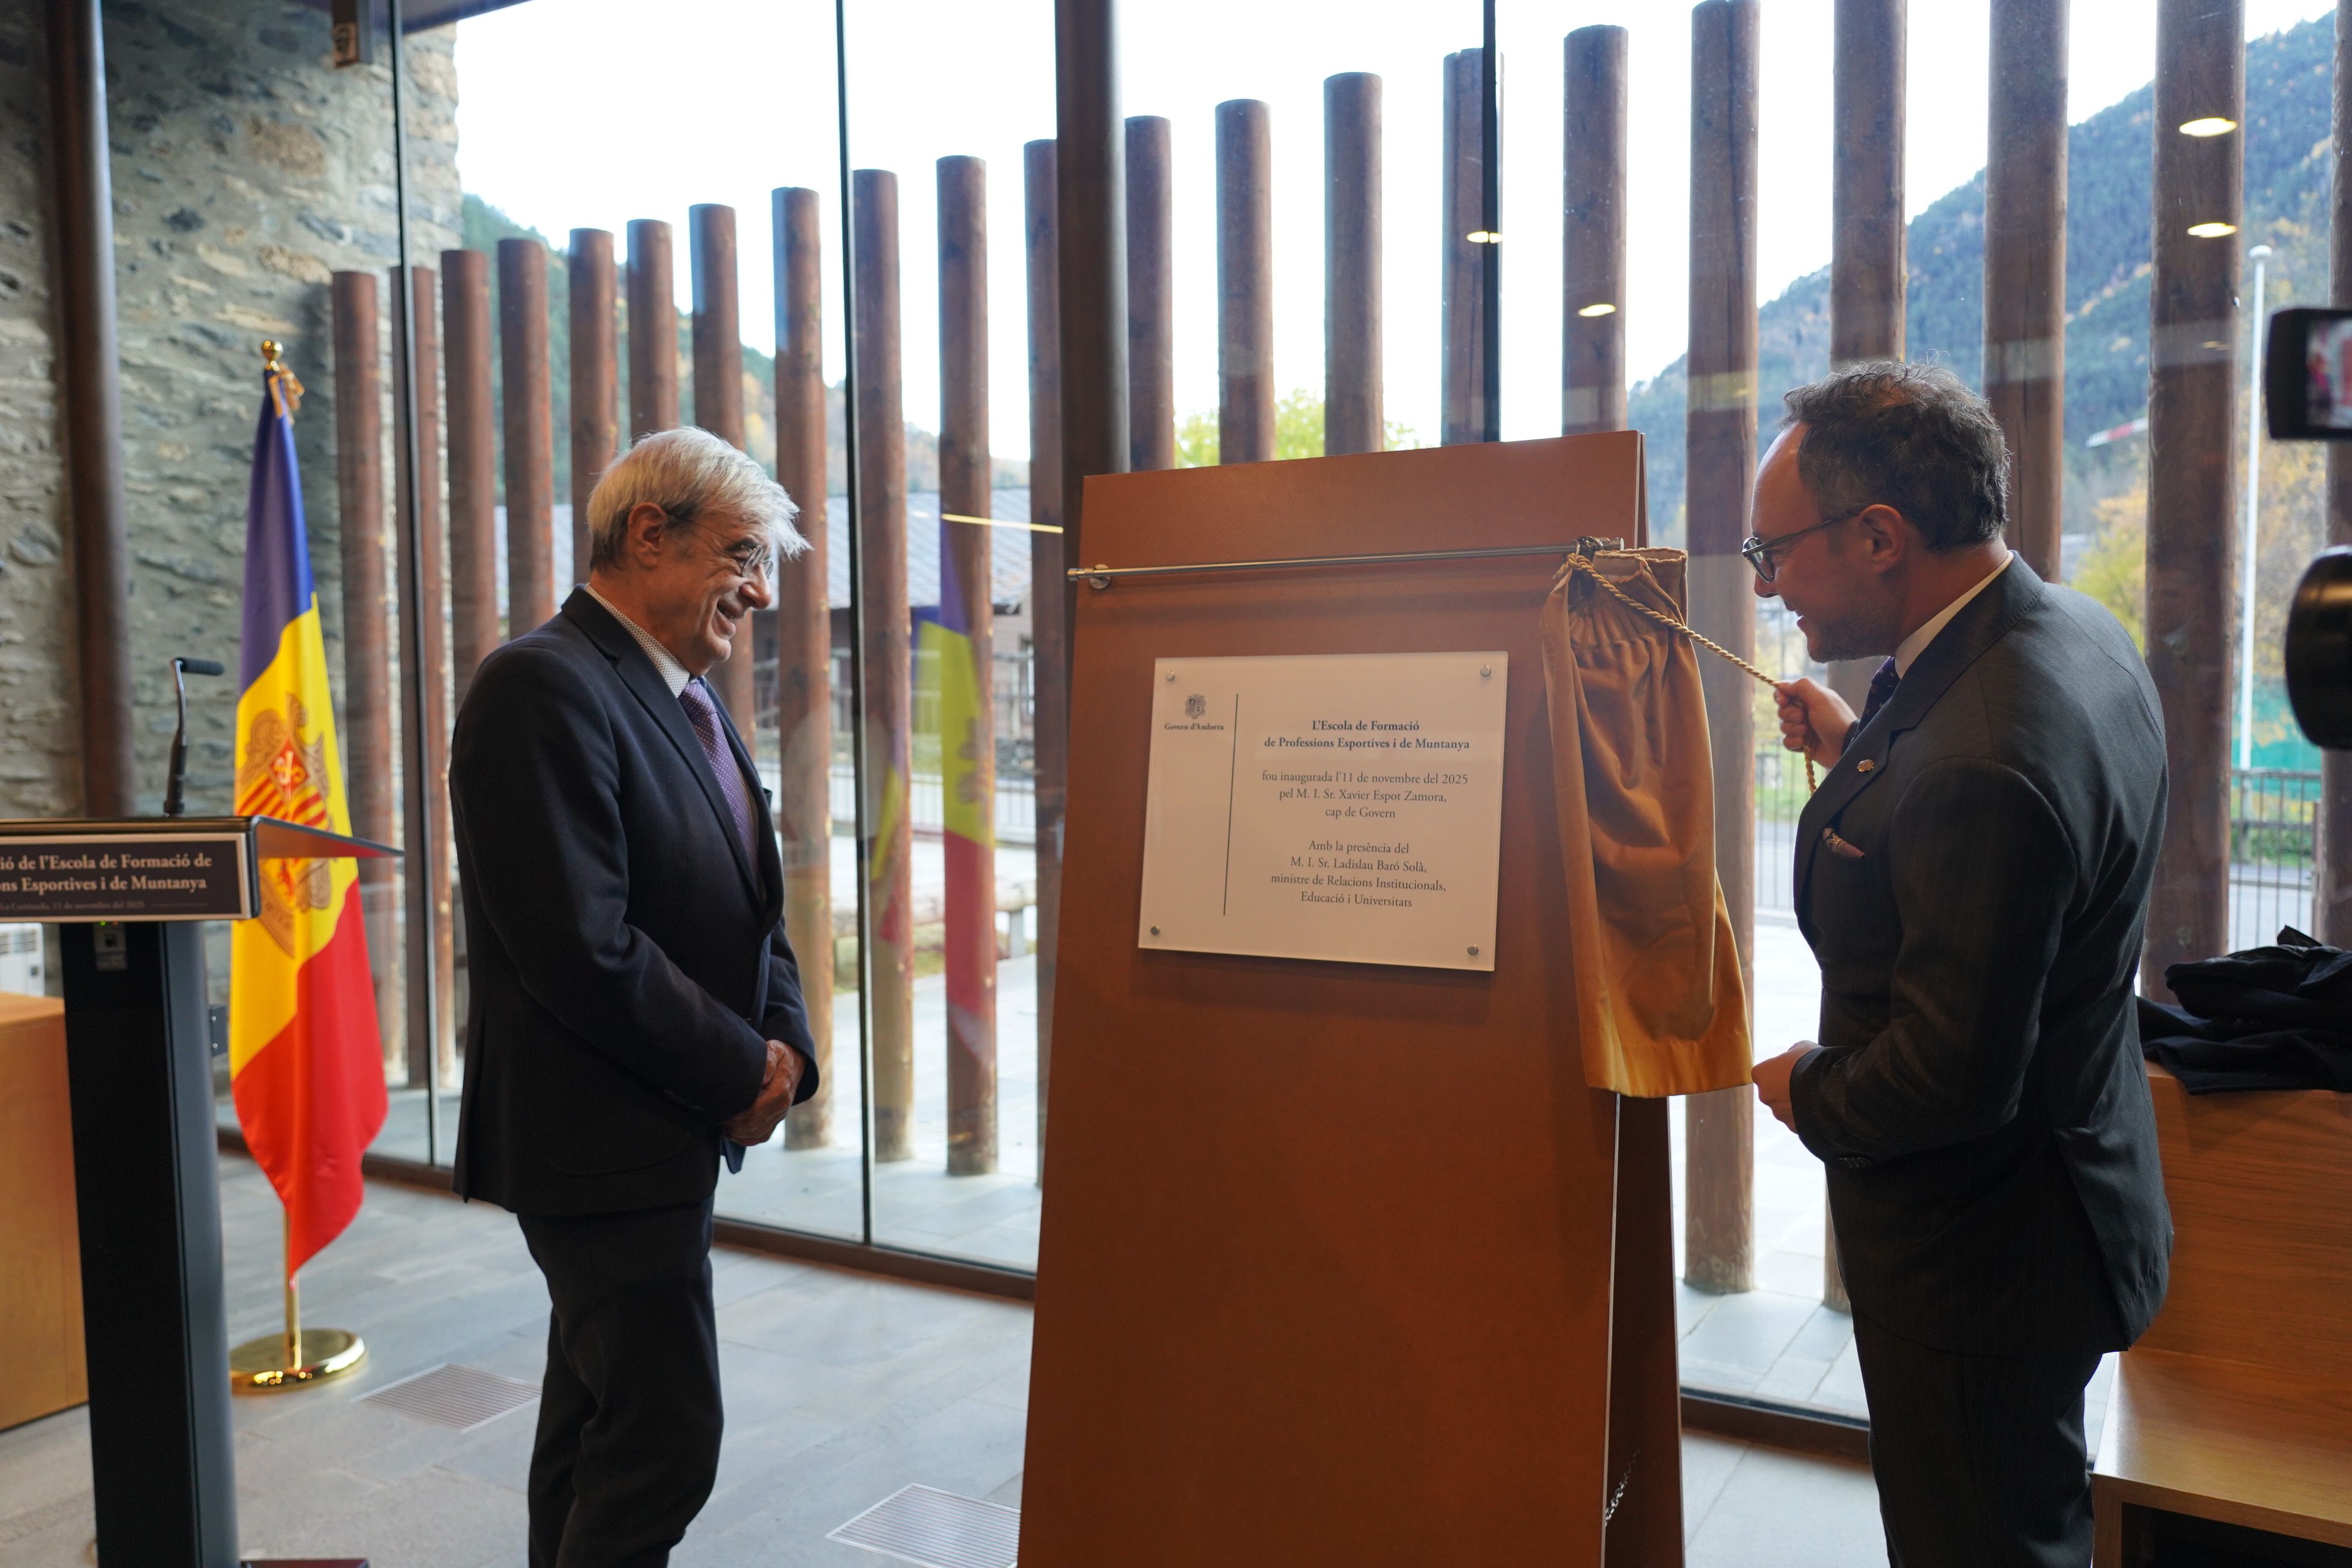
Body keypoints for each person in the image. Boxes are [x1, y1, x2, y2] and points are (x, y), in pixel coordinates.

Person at [1750, 363, 2172, 1567]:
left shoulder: (1978, 758)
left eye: (1772, 552)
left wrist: (1805, 1085)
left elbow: (1947, 1077)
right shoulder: (2069, 628)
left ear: (1880, 535)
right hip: (2059, 1193)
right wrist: (1864, 750)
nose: (1769, 585)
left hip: (1985, 1258)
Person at [448, 426, 820, 1567]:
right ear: (650, 532)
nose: (759, 592)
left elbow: (753, 903)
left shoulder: (686, 699)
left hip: (660, 1126)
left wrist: (788, 1046)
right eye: (743, 555)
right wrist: (735, 1069)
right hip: (595, 1137)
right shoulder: (540, 684)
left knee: (592, 1419)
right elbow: (581, 946)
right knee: (667, 1436)